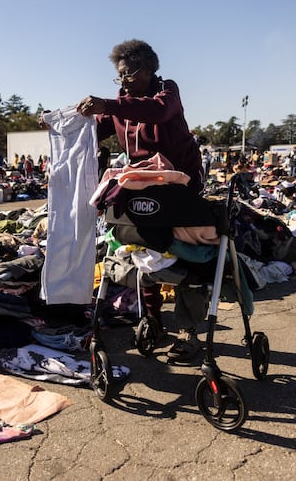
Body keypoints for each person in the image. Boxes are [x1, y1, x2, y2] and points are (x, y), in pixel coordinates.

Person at [76, 39, 205, 359]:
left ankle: (190, 333)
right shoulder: (121, 103)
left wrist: (109, 104)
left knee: (184, 255)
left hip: (181, 186)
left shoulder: (167, 92)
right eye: (118, 76)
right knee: (144, 250)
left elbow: (158, 113)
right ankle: (153, 320)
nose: (122, 82)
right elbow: (92, 129)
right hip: (143, 187)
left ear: (147, 70)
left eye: (127, 75)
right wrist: (58, 123)